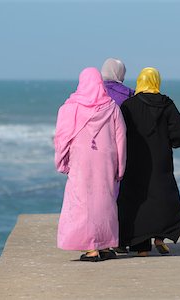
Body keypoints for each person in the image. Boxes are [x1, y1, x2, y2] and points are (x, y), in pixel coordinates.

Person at [54, 67, 127, 262]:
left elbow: (62, 138)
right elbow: (121, 138)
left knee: (81, 201)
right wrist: (121, 167)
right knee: (105, 200)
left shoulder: (69, 108)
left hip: (80, 159)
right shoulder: (112, 107)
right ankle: (104, 245)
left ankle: (91, 248)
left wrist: (61, 161)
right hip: (106, 159)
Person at [117, 67, 180, 257]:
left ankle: (141, 247)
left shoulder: (128, 105)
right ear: (156, 81)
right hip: (160, 158)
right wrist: (172, 143)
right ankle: (160, 238)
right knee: (162, 195)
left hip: (135, 159)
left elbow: (120, 132)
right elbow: (178, 131)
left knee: (136, 198)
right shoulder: (167, 104)